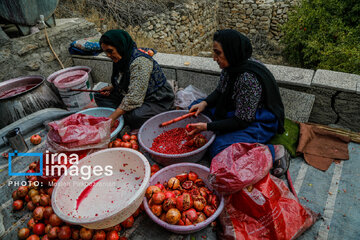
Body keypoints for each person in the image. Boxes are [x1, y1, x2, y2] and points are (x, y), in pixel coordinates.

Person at [187, 29, 289, 177]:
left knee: (218, 148)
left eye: (218, 53)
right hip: (237, 109)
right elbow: (220, 91)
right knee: (195, 107)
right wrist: (205, 103)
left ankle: (274, 152)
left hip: (258, 120)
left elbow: (242, 121)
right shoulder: (231, 67)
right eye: (214, 52)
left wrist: (207, 126)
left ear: (231, 52)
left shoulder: (247, 79)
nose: (214, 58)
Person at [94, 30, 175, 129]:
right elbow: (126, 79)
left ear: (120, 46)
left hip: (155, 99)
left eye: (110, 51)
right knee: (99, 95)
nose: (108, 55)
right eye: (106, 52)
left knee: (136, 116)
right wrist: (112, 88)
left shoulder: (140, 62)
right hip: (135, 93)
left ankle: (121, 117)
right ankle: (122, 115)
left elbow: (134, 97)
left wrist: (112, 118)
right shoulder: (122, 58)